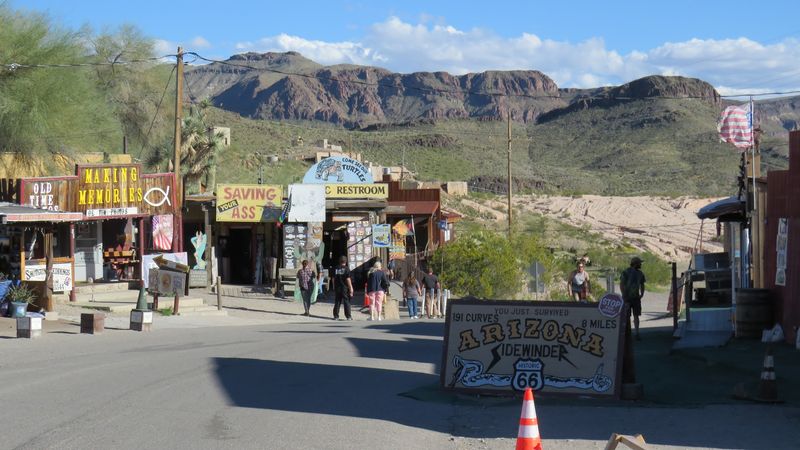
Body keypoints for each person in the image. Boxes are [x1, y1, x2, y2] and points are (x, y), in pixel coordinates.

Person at [620, 256, 646, 340]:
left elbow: (622, 284)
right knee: (634, 315)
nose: (640, 264)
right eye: (639, 263)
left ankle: (633, 333)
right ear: (636, 264)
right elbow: (622, 284)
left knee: (631, 316)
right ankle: (635, 332)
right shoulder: (636, 273)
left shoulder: (626, 272)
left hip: (631, 297)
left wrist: (624, 294)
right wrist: (641, 293)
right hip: (632, 297)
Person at [331, 256, 354, 320]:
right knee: (346, 301)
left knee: (337, 301)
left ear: (339, 261)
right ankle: (348, 316)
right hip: (345, 288)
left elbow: (333, 278)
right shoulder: (346, 269)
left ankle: (336, 316)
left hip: (337, 287)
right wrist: (351, 288)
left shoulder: (336, 268)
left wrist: (333, 286)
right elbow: (348, 279)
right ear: (346, 261)